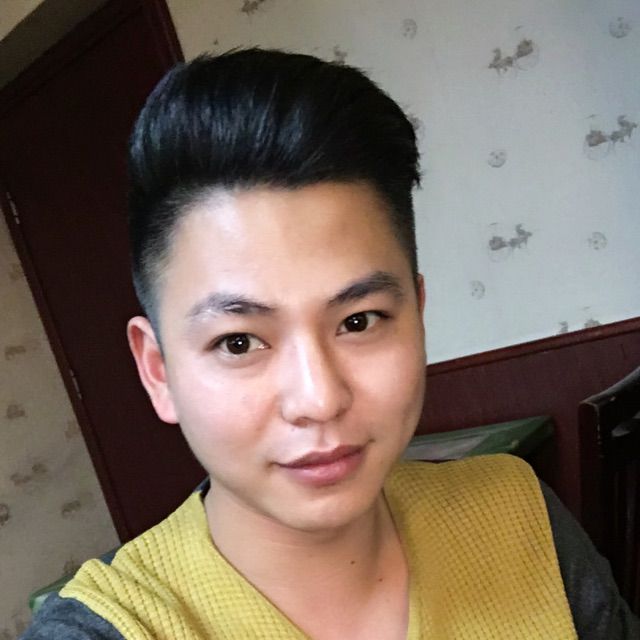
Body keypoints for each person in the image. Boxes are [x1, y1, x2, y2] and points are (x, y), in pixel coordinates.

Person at [22, 48, 638, 640]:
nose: (318, 400)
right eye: (238, 341)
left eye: (359, 321)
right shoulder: (113, 628)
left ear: (418, 315)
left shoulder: (515, 513)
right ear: (158, 371)